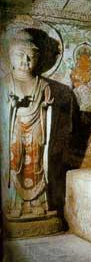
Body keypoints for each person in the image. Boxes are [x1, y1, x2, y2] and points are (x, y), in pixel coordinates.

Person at [7, 30, 53, 217]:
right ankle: (15, 202)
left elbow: (47, 108)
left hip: (36, 127)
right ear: (11, 56)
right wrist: (10, 106)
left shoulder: (43, 84)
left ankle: (36, 202)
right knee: (15, 161)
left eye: (30, 57)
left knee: (35, 163)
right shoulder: (6, 82)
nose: (25, 61)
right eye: (20, 55)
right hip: (15, 128)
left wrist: (45, 107)